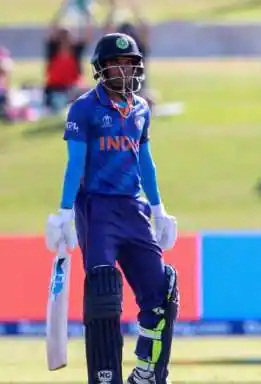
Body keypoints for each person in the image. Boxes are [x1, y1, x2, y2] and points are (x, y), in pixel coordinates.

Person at [44, 33, 179, 384]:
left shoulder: (141, 109)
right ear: (101, 69)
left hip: (134, 210)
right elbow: (75, 164)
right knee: (103, 292)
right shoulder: (84, 108)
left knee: (162, 292)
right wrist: (64, 214)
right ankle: (105, 378)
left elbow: (145, 162)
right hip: (97, 209)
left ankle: (148, 373)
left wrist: (159, 209)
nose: (124, 70)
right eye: (116, 64)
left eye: (130, 64)